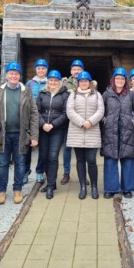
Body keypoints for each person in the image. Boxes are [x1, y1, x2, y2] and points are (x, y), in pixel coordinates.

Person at [0, 62, 39, 205]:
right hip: (3, 134)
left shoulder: (26, 91)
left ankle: (17, 190)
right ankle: (1, 191)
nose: (13, 76)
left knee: (20, 163)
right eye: (11, 73)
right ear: (6, 75)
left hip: (21, 134)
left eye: (16, 73)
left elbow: (34, 113)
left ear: (20, 76)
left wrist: (34, 136)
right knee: (2, 164)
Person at [101, 68, 134, 199]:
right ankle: (110, 188)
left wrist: (133, 120)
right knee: (110, 158)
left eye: (122, 78)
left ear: (125, 81)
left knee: (127, 159)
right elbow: (100, 110)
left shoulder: (130, 95)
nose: (120, 81)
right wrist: (103, 119)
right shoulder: (107, 94)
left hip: (127, 130)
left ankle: (127, 188)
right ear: (113, 80)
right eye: (117, 78)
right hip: (110, 130)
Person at [66, 71, 104, 199]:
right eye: (81, 81)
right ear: (78, 83)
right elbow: (69, 111)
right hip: (77, 131)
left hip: (92, 131)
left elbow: (101, 111)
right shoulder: (73, 95)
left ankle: (94, 187)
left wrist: (90, 122)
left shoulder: (97, 95)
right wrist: (82, 122)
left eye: (85, 81)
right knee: (80, 161)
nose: (83, 83)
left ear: (90, 82)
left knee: (92, 161)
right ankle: (83, 187)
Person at [36, 70, 69, 199]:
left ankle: (50, 186)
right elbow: (36, 111)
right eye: (51, 80)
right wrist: (43, 124)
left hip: (57, 129)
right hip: (43, 128)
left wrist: (53, 124)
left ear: (59, 82)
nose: (53, 82)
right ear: (48, 81)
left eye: (56, 80)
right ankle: (52, 182)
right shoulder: (42, 94)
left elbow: (66, 113)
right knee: (43, 156)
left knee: (53, 156)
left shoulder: (64, 94)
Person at [60, 59, 85, 185]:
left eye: (79, 69)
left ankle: (83, 176)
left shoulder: (87, 82)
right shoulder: (64, 83)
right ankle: (66, 173)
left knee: (82, 150)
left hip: (82, 121)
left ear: (83, 70)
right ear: (71, 71)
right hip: (67, 121)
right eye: (74, 69)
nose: (76, 71)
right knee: (67, 148)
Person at [25, 59, 49, 185]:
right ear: (35, 69)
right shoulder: (30, 83)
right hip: (30, 119)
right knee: (27, 146)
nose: (41, 70)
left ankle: (40, 171)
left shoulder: (50, 83)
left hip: (43, 119)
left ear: (46, 70)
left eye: (43, 68)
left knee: (43, 148)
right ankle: (25, 171)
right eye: (38, 68)